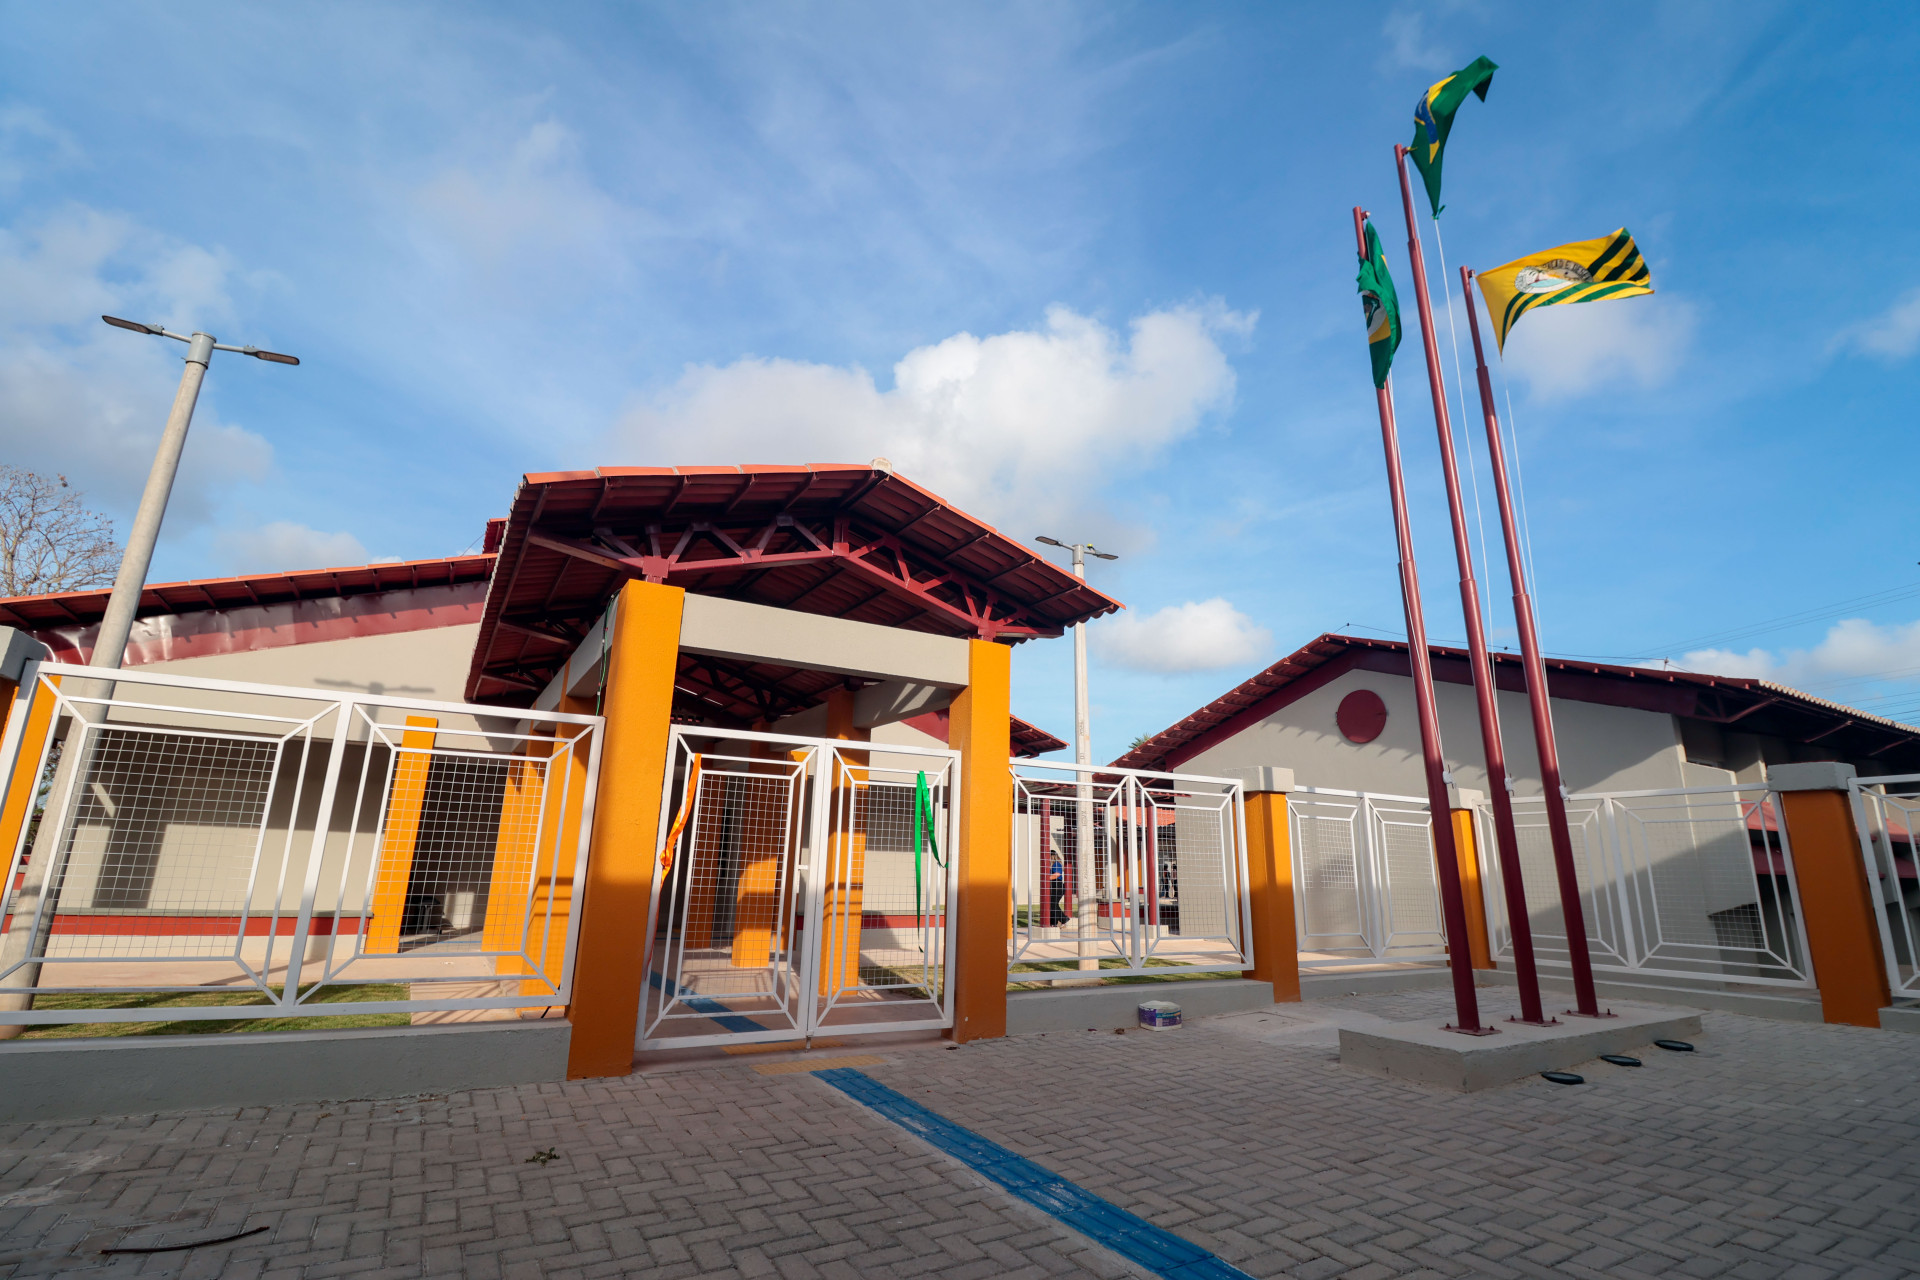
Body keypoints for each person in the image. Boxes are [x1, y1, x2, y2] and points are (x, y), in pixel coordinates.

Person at [1046, 846, 1068, 929]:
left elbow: (1057, 874)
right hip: (1053, 885)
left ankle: (1063, 919)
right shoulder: (1052, 865)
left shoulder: (1056, 864)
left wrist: (1046, 878)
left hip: (1057, 885)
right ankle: (1053, 923)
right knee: (1052, 904)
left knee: (1052, 904)